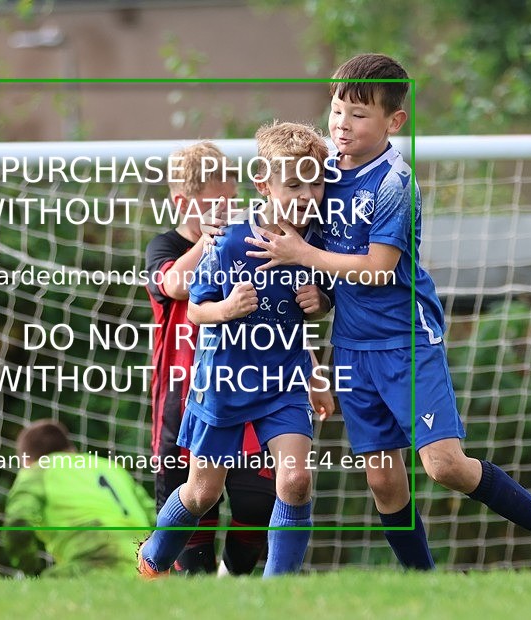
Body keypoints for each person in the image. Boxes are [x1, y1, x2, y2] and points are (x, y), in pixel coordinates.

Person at [244, 53, 531, 571]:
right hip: (352, 347)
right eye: (338, 109)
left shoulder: (394, 184)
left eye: (359, 115)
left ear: (394, 121)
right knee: (383, 480)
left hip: (406, 341)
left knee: (444, 466)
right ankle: (424, 587)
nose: (342, 123)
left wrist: (305, 258)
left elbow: (379, 268)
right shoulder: (322, 176)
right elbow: (307, 240)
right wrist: (318, 291)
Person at [138, 120, 336, 579]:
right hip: (222, 387)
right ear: (264, 185)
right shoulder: (229, 242)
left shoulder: (315, 245)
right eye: (294, 184)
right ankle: (152, 559)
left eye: (316, 182)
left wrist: (321, 303)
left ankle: (276, 595)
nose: (307, 195)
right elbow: (195, 312)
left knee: (295, 480)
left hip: (282, 385)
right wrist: (226, 307)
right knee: (202, 494)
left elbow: (292, 319)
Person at [144, 141, 276, 575]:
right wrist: (207, 238)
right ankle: (169, 571)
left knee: (258, 503)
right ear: (183, 202)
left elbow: (277, 312)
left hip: (245, 387)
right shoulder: (164, 246)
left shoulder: (243, 243)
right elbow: (177, 286)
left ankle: (231, 584)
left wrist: (310, 369)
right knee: (195, 507)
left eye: (230, 200)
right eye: (214, 203)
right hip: (182, 401)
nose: (226, 210)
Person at [0, 420, 154, 577]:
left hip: (93, 562)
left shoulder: (37, 472)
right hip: (145, 567)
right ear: (71, 449)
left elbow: (18, 524)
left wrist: (30, 570)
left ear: (27, 462)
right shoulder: (112, 468)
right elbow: (156, 516)